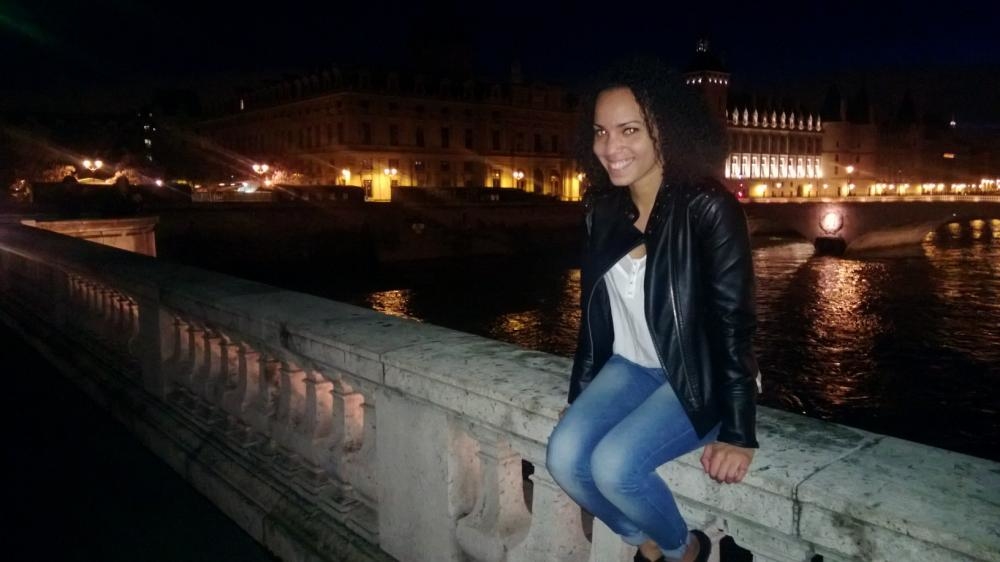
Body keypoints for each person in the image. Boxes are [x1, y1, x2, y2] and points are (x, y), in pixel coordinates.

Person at [546, 56, 760, 562]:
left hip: (699, 376)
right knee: (563, 458)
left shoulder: (708, 207)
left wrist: (738, 432)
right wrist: (582, 396)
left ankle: (683, 552)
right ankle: (657, 543)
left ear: (666, 131)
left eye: (629, 130)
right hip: (631, 368)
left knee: (615, 467)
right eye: (600, 132)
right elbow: (595, 319)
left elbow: (734, 323)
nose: (610, 147)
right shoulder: (601, 209)